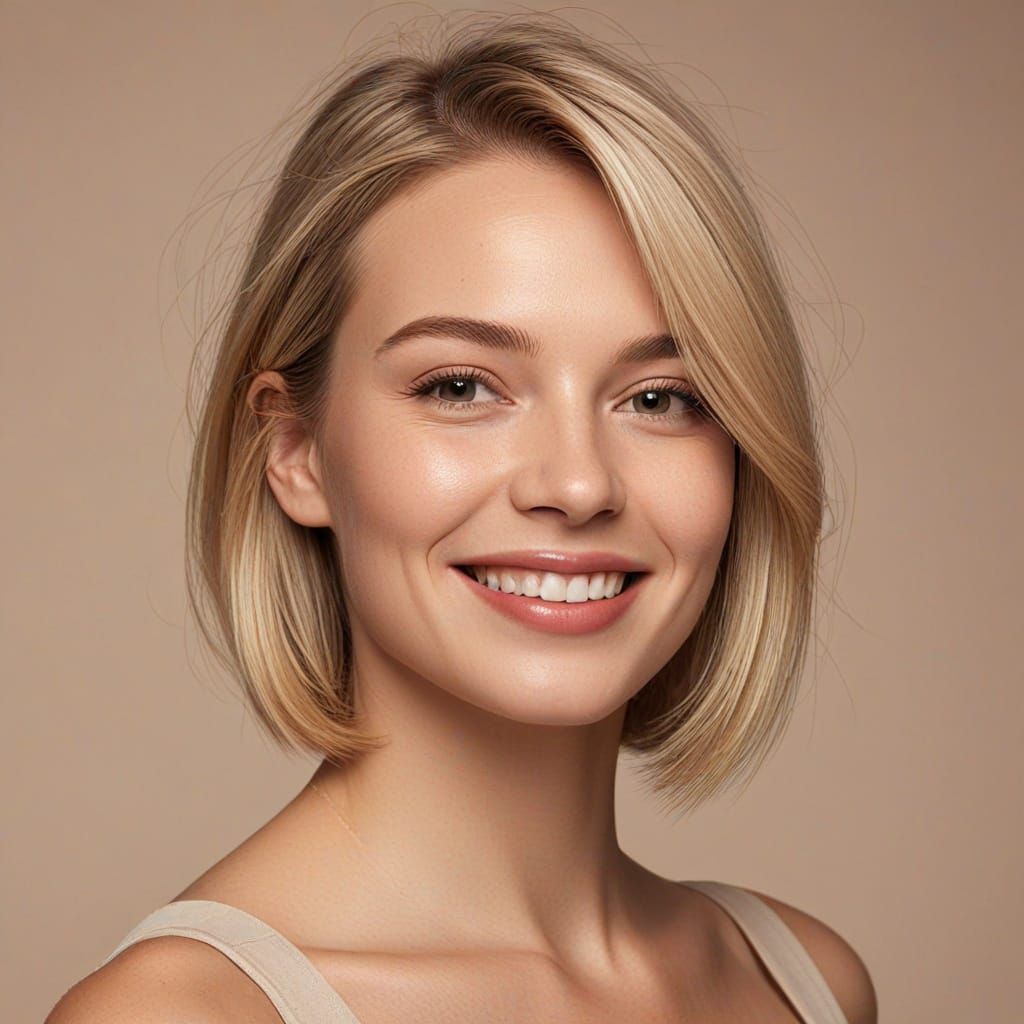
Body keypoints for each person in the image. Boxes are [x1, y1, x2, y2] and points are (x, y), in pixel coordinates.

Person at [47, 11, 877, 1023]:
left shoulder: (803, 983)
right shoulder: (183, 1016)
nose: (576, 485)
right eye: (459, 385)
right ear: (294, 450)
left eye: (660, 397)